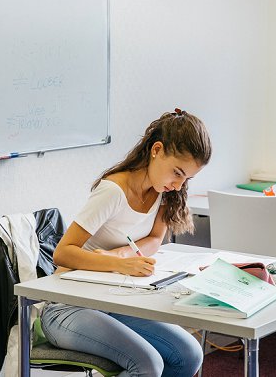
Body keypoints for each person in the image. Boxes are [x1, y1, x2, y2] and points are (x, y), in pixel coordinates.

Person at [39, 110, 211, 377]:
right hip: (68, 307)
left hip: (113, 302)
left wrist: (122, 254)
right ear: (156, 150)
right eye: (177, 172)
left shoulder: (163, 192)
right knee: (147, 365)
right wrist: (118, 265)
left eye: (186, 178)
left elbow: (155, 239)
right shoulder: (113, 191)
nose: (178, 185)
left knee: (189, 355)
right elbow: (62, 253)